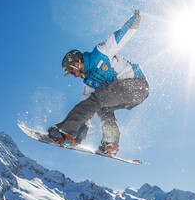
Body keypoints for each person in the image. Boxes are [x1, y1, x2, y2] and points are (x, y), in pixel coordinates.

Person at [48, 10, 149, 157]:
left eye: (71, 71)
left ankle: (66, 132)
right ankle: (110, 144)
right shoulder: (89, 84)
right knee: (101, 107)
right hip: (130, 95)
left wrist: (135, 19)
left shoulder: (100, 53)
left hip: (136, 84)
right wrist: (77, 137)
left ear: (76, 62)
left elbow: (120, 37)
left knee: (96, 100)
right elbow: (85, 113)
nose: (73, 75)